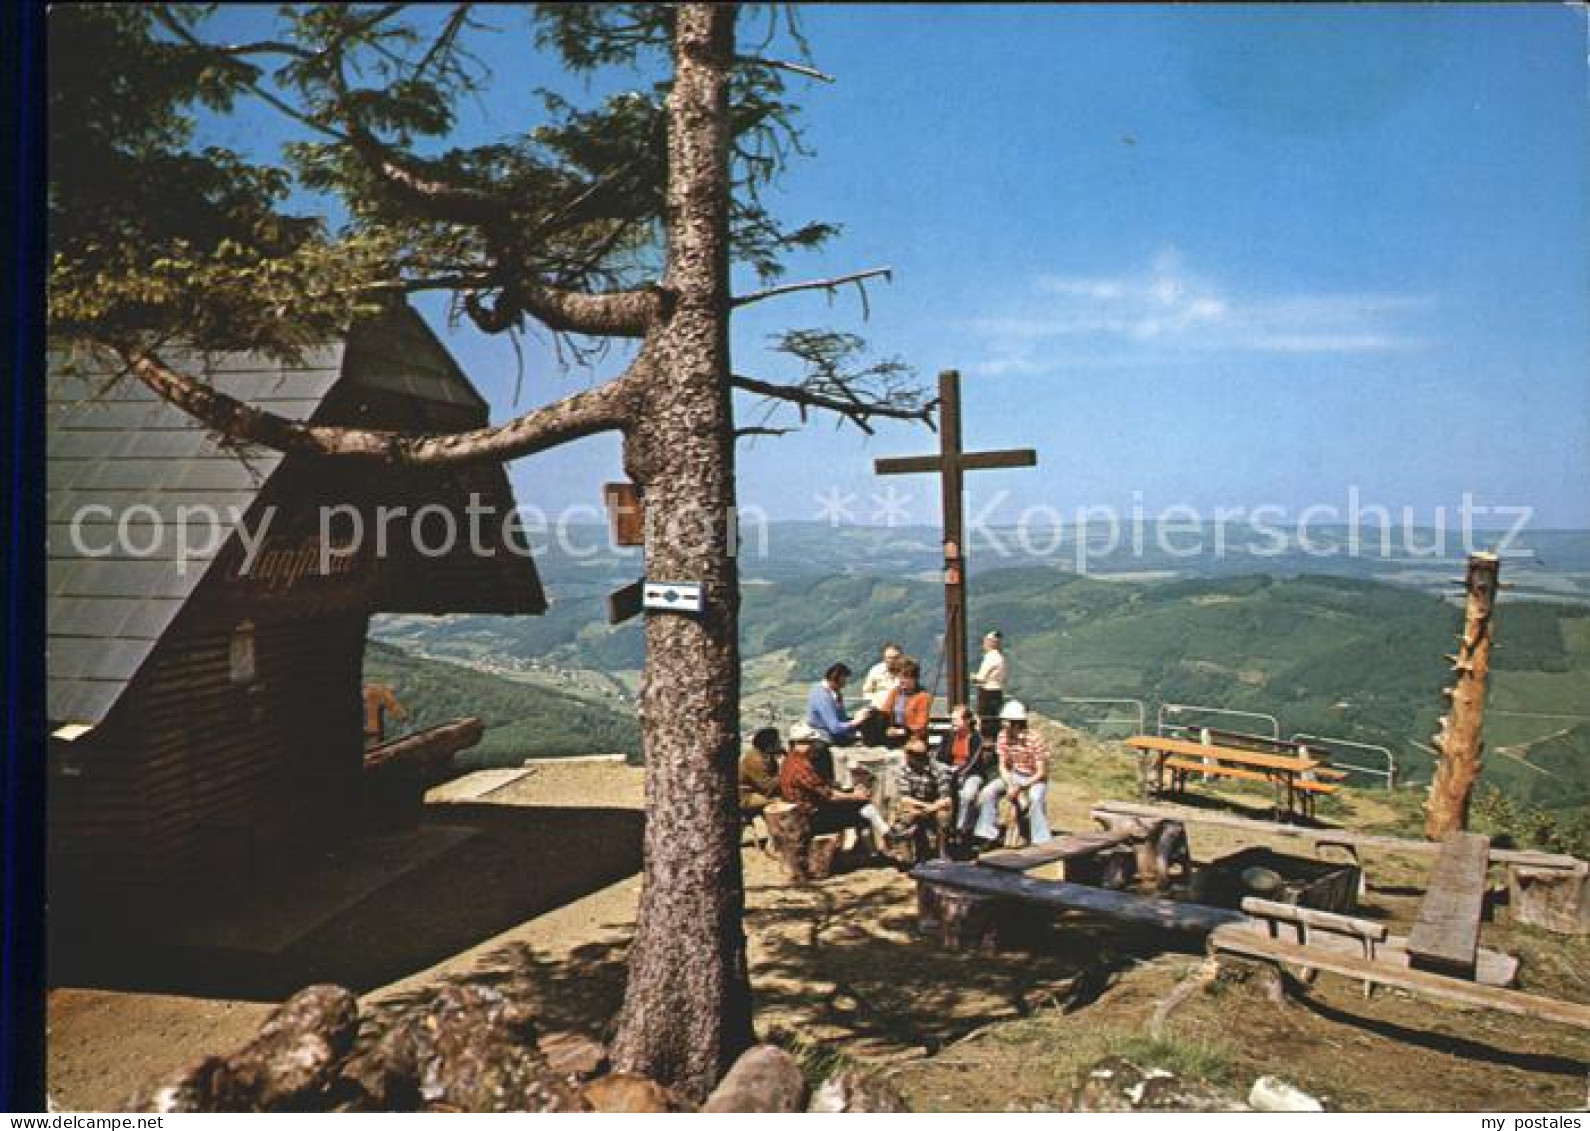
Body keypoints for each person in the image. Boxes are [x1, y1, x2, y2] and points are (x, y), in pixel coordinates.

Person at [778, 723, 890, 848]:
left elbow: (820, 788)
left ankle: (877, 839)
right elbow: (830, 795)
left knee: (857, 802)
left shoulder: (790, 760)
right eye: (809, 743)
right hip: (809, 817)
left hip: (802, 811)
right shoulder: (801, 768)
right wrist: (856, 796)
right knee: (862, 810)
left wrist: (850, 793)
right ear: (797, 744)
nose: (813, 746)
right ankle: (876, 844)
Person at [972, 699, 1052, 845]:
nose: (1003, 724)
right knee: (988, 792)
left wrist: (1022, 787)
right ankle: (987, 833)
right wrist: (1010, 783)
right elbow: (1002, 765)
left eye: (1007, 721)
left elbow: (1041, 772)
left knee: (1035, 798)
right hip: (1014, 775)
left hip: (1034, 778)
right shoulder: (1003, 736)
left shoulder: (1035, 739)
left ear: (1016, 722)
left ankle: (1041, 838)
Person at [887, 737, 954, 864]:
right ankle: (908, 858)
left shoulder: (939, 769)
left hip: (935, 806)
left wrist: (931, 808)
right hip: (915, 806)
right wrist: (923, 807)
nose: (920, 759)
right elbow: (905, 798)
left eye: (922, 755)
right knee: (902, 820)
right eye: (915, 755)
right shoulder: (902, 770)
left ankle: (942, 852)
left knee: (943, 815)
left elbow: (946, 799)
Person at [936, 703, 989, 839]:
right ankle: (945, 828)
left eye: (956, 720)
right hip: (950, 770)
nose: (953, 723)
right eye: (952, 719)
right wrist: (945, 770)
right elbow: (940, 756)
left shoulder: (976, 738)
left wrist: (960, 773)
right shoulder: (949, 735)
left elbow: (973, 761)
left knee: (967, 795)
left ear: (966, 721)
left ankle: (962, 828)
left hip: (971, 773)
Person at [870, 657, 931, 748]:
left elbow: (920, 726)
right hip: (893, 738)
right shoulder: (895, 692)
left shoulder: (923, 696)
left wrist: (900, 731)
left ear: (914, 678)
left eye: (906, 677)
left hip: (913, 739)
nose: (901, 680)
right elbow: (885, 712)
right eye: (900, 676)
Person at [806, 662, 870, 746]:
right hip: (826, 734)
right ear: (836, 678)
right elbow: (835, 728)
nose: (845, 683)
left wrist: (857, 717)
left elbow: (840, 719)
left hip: (834, 732)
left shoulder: (832, 692)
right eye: (844, 679)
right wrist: (856, 721)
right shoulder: (823, 696)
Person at [738, 727, 783, 817]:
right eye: (778, 741)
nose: (780, 742)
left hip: (759, 791)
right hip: (747, 796)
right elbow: (765, 785)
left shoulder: (766, 754)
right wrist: (784, 775)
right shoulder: (755, 759)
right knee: (779, 801)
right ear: (769, 744)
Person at [971, 630, 1007, 740]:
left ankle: (985, 741)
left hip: (987, 692)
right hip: (998, 691)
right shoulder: (1001, 658)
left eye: (986, 641)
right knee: (994, 719)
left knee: (985, 720)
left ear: (991, 642)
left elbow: (981, 677)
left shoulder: (990, 657)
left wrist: (973, 677)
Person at [860, 643, 904, 709]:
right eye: (889, 658)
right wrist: (873, 706)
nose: (892, 661)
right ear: (884, 658)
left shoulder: (906, 672)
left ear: (901, 657)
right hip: (877, 710)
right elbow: (868, 691)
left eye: (895, 657)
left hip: (899, 711)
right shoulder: (876, 671)